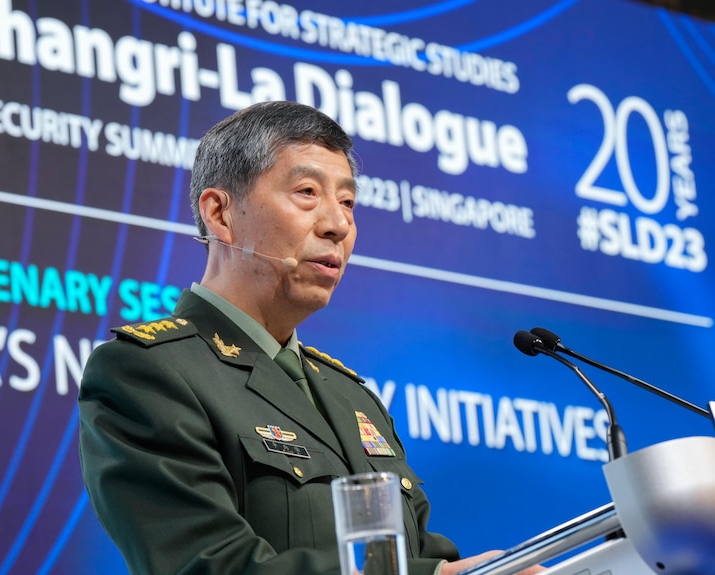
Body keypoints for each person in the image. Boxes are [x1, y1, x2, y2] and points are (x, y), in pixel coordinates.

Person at [78, 101, 542, 575]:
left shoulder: (352, 398)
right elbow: (210, 564)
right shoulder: (148, 372)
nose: (338, 225)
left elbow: (417, 558)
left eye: (347, 202)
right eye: (306, 192)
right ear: (220, 214)